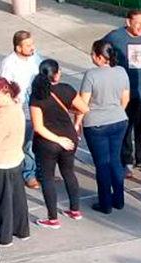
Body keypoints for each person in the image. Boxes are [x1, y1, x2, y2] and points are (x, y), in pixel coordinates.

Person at [75, 39, 131, 214]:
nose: (91, 56)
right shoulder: (121, 71)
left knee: (102, 164)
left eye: (93, 53)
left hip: (96, 124)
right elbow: (125, 99)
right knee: (115, 160)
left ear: (100, 57)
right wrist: (114, 112)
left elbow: (83, 103)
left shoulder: (91, 75)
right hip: (119, 120)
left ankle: (105, 203)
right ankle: (119, 199)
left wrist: (77, 123)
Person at [29, 60, 84, 227]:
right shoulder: (67, 89)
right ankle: (75, 209)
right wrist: (75, 124)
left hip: (47, 143)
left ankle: (52, 218)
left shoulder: (37, 95)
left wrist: (56, 139)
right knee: (69, 172)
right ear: (57, 74)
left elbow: (38, 127)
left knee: (47, 178)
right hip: (69, 137)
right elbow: (84, 108)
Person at [100, 11, 141, 175]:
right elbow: (100, 50)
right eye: (137, 23)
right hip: (124, 92)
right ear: (128, 22)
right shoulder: (115, 36)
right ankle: (126, 160)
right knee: (125, 127)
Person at [0, 77, 31, 248]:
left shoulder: (3, 115)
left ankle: (5, 235)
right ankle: (22, 229)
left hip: (1, 162)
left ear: (7, 93)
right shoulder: (16, 109)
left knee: (4, 200)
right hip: (15, 159)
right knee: (18, 197)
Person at [0, 29, 45, 188]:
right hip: (21, 107)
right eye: (28, 45)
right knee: (28, 143)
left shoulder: (36, 58)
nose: (32, 47)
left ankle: (42, 171)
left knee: (40, 140)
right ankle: (29, 173)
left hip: (38, 103)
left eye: (32, 44)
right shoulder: (9, 63)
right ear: (18, 48)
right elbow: (5, 89)